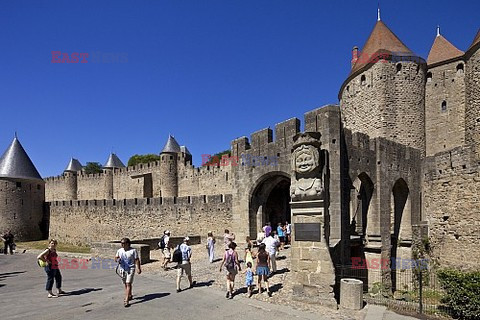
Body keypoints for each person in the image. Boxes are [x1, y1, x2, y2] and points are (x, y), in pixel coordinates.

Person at [115, 238, 142, 307]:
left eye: (123, 243)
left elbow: (137, 259)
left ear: (127, 243)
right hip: (122, 269)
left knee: (128, 283)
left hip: (131, 268)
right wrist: (118, 260)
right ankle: (129, 295)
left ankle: (126, 300)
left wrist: (138, 268)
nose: (122, 245)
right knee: (125, 284)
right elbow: (116, 258)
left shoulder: (133, 250)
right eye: (121, 243)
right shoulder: (120, 250)